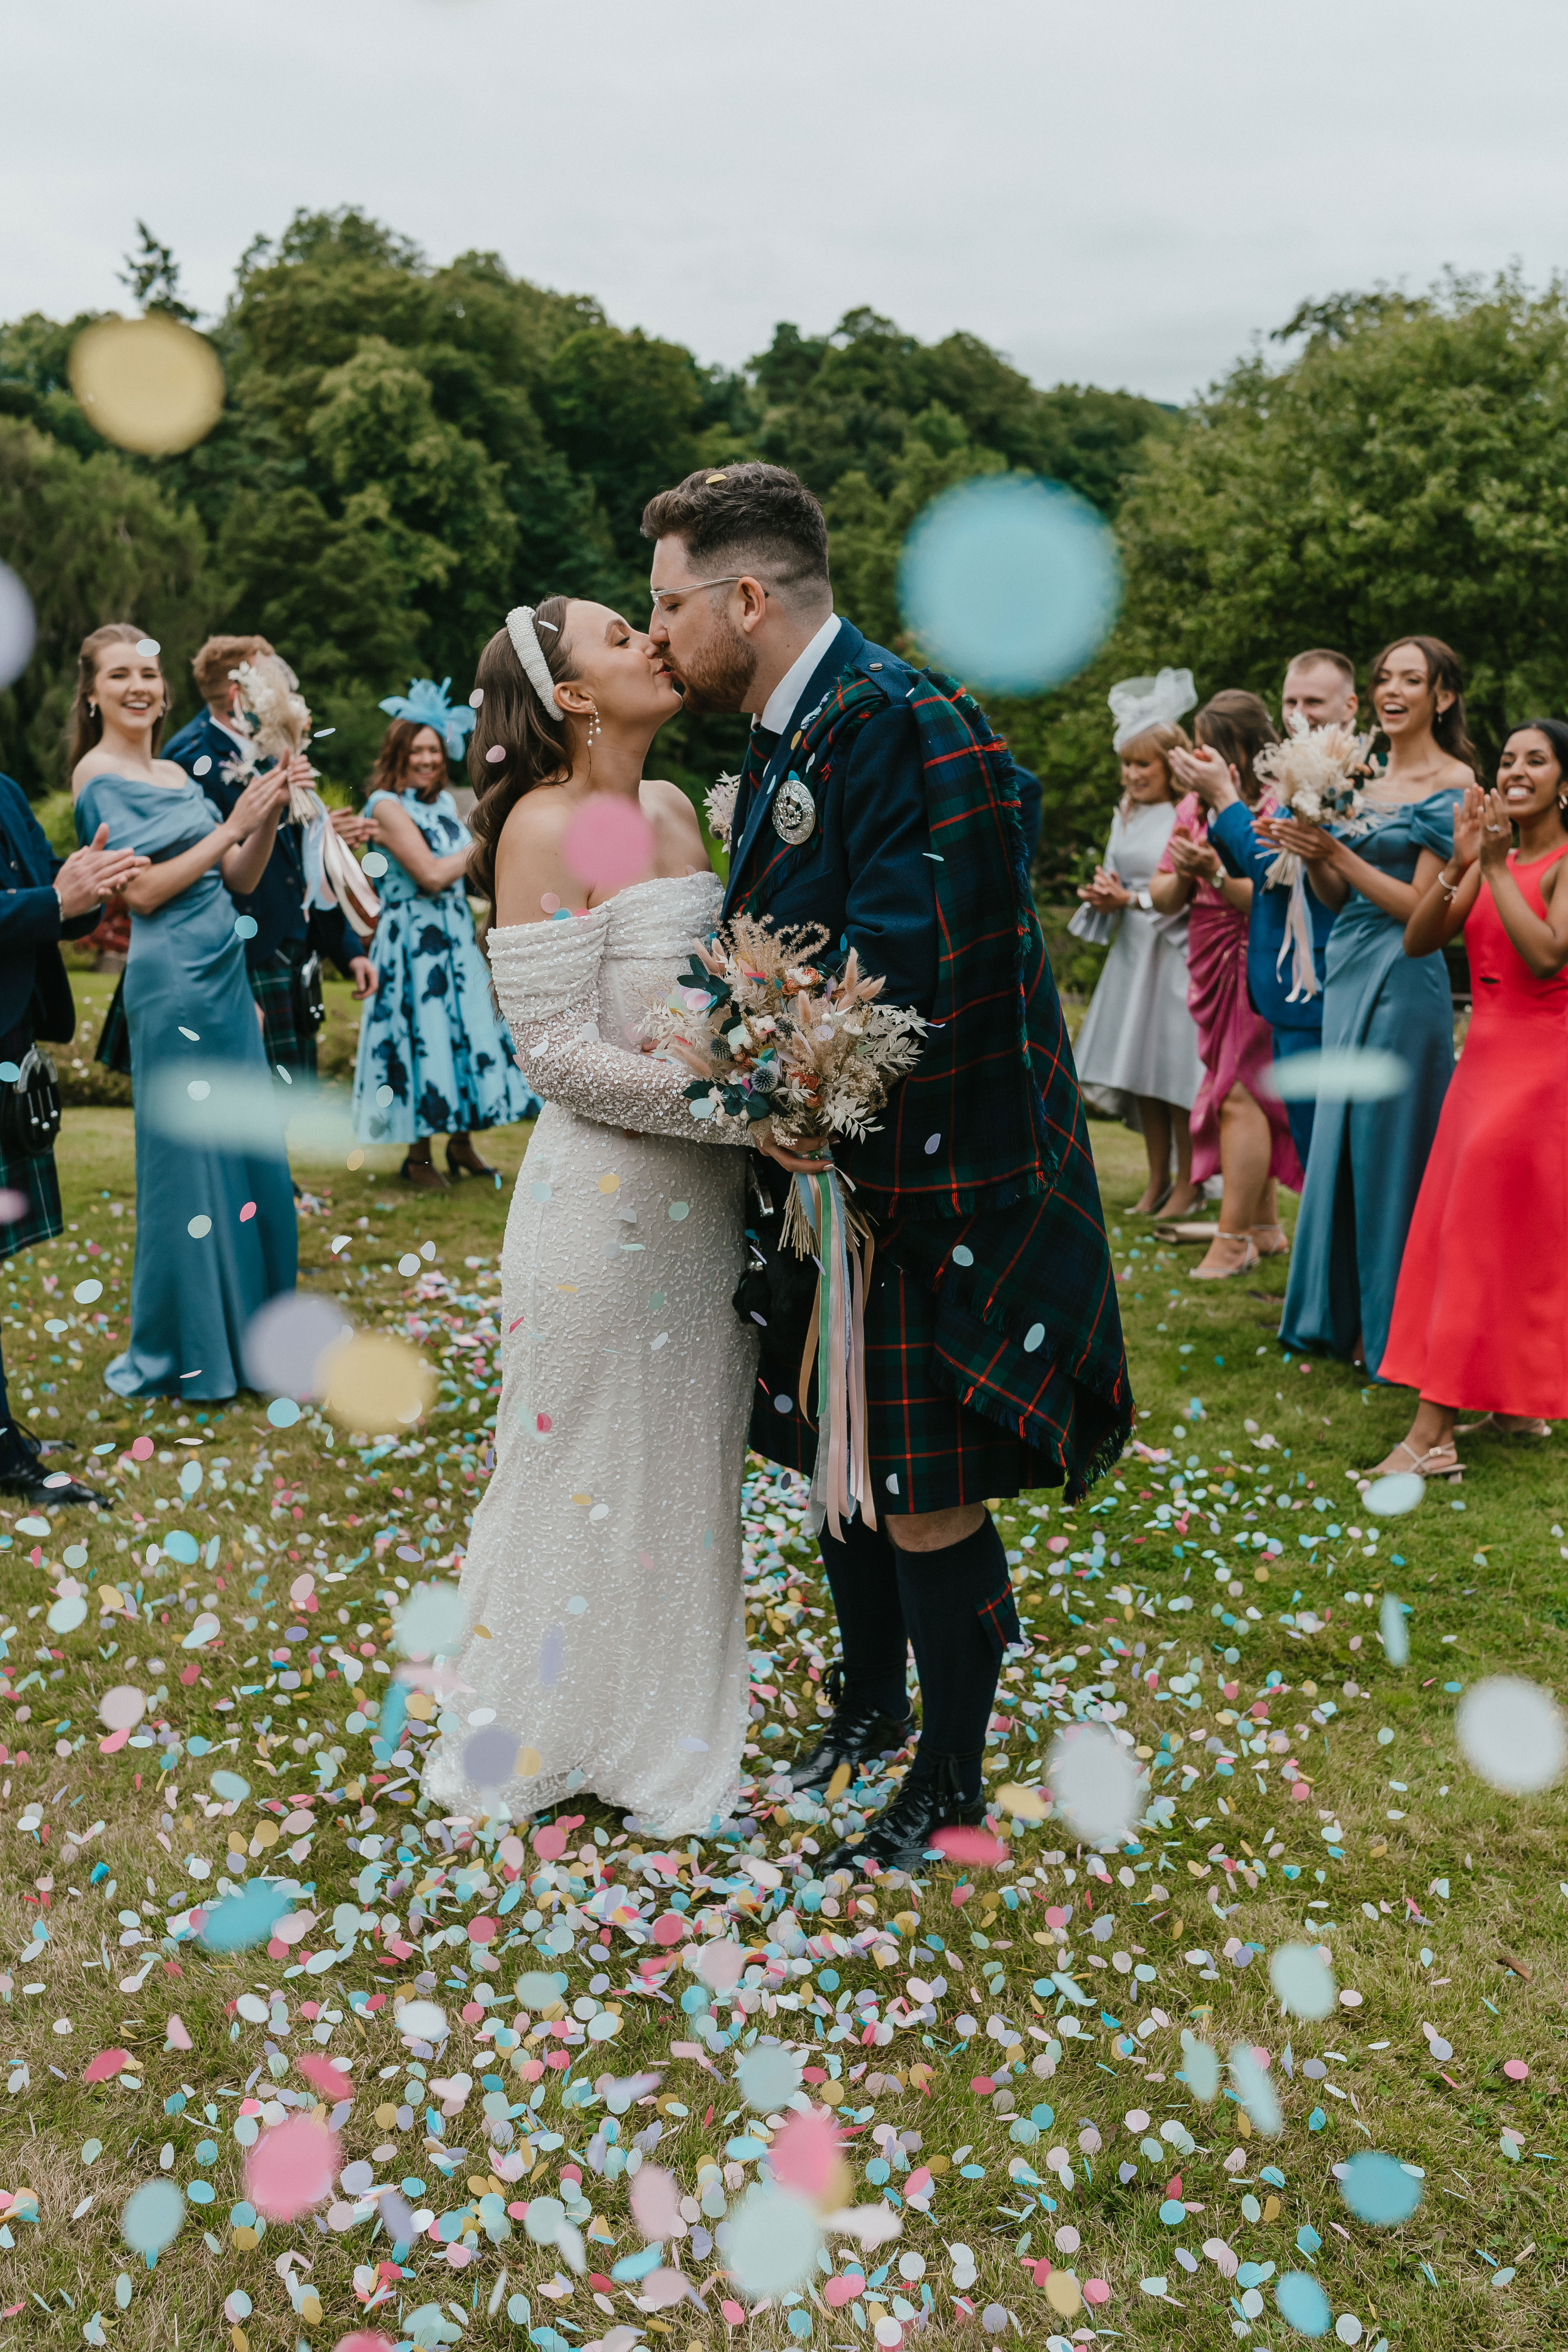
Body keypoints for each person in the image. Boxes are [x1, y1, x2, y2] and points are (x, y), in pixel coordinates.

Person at [643, 462, 1131, 1872]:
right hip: (826, 1176)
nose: (656, 631)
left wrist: (788, 1086)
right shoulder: (805, 734)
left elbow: (910, 976)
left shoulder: (901, 722)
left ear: (747, 595)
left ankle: (950, 1780)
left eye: (668, 603)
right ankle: (865, 1706)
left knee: (916, 1483)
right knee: (832, 1459)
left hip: (923, 1181)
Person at [419, 597, 759, 1836]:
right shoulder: (541, 829)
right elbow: (556, 1057)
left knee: (683, 1479)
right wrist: (737, 1109)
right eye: (622, 637)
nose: (653, 643)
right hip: (602, 1213)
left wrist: (779, 1065)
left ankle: (662, 1746)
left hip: (709, 1211)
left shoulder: (675, 811)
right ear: (567, 696)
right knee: (574, 1471)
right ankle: (540, 1737)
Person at [69, 623, 298, 1399]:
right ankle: (192, 1345)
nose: (139, 686)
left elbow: (235, 877)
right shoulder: (95, 777)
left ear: (164, 690)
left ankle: (255, 1336)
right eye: (120, 674)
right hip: (171, 982)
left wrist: (264, 812)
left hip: (227, 976)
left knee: (245, 1146)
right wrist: (231, 824)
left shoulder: (175, 771)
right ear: (94, 692)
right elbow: (140, 892)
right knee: (188, 1166)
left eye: (147, 673)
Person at [1374, 725, 1568, 1473]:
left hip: (1538, 1069)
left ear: (1562, 782)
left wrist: (1490, 867)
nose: (1514, 770)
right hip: (1478, 1066)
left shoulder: (1556, 863)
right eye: (1508, 759)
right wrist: (1461, 864)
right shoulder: (1492, 860)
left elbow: (1547, 951)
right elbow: (1418, 940)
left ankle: (1432, 1434)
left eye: (1535, 760)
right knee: (1486, 1233)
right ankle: (1516, 1404)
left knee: (1469, 1237)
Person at [1276, 636, 1472, 1375]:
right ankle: (1337, 1314)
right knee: (1341, 1141)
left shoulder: (1453, 784)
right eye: (1384, 678)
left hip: (1405, 970)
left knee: (1389, 1149)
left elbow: (1421, 907)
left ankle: (1391, 1322)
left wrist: (1339, 856)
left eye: (1410, 680)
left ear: (1441, 697)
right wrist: (1313, 837)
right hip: (1347, 963)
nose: (1391, 691)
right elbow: (1336, 896)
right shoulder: (1359, 776)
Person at [0, 765, 145, 1500]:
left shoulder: (5, 790)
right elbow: (35, 902)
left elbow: (48, 900)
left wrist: (89, 891)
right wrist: (54, 897)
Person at [164, 635, 379, 1081]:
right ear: (238, 693)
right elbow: (201, 868)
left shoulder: (270, 746)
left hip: (291, 944)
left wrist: (346, 951)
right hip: (239, 953)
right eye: (273, 682)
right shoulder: (188, 759)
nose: (287, 693)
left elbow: (298, 862)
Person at [351, 699, 536, 1188]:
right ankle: (418, 1157)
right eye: (417, 750)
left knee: (463, 1037)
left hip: (454, 937)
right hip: (413, 943)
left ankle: (460, 1144)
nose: (427, 760)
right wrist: (490, 837)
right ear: (398, 753)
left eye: (434, 750)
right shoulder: (385, 807)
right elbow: (432, 874)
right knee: (423, 1037)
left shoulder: (443, 806)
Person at [1151, 691, 1303, 1277]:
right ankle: (1264, 1225)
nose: (1196, 753)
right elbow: (1164, 894)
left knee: (1239, 1093)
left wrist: (1215, 869)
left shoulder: (1270, 803)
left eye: (1205, 741)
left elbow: (1270, 895)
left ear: (1238, 744)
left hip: (1253, 946)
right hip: (1207, 948)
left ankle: (1233, 1236)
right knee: (1233, 1085)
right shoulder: (1193, 806)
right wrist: (1187, 868)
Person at [1196, 650, 1354, 1167]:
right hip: (1286, 993)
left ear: (1350, 706)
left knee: (1333, 1156)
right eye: (1290, 700)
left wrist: (1224, 797)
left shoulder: (1349, 778)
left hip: (1326, 987)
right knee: (1315, 1155)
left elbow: (1273, 870)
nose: (1299, 713)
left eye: (1314, 701)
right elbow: (1260, 868)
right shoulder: (1296, 775)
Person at [1070, 669, 1203, 1215]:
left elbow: (1189, 891)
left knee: (1175, 1073)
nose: (1131, 774)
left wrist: (1133, 899)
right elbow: (1116, 872)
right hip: (1132, 951)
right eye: (1126, 763)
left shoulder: (1186, 814)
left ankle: (1191, 1185)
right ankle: (1156, 1181)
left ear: (1169, 764)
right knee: (1143, 1074)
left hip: (1174, 950)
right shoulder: (1124, 813)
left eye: (1141, 763)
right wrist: (1102, 894)